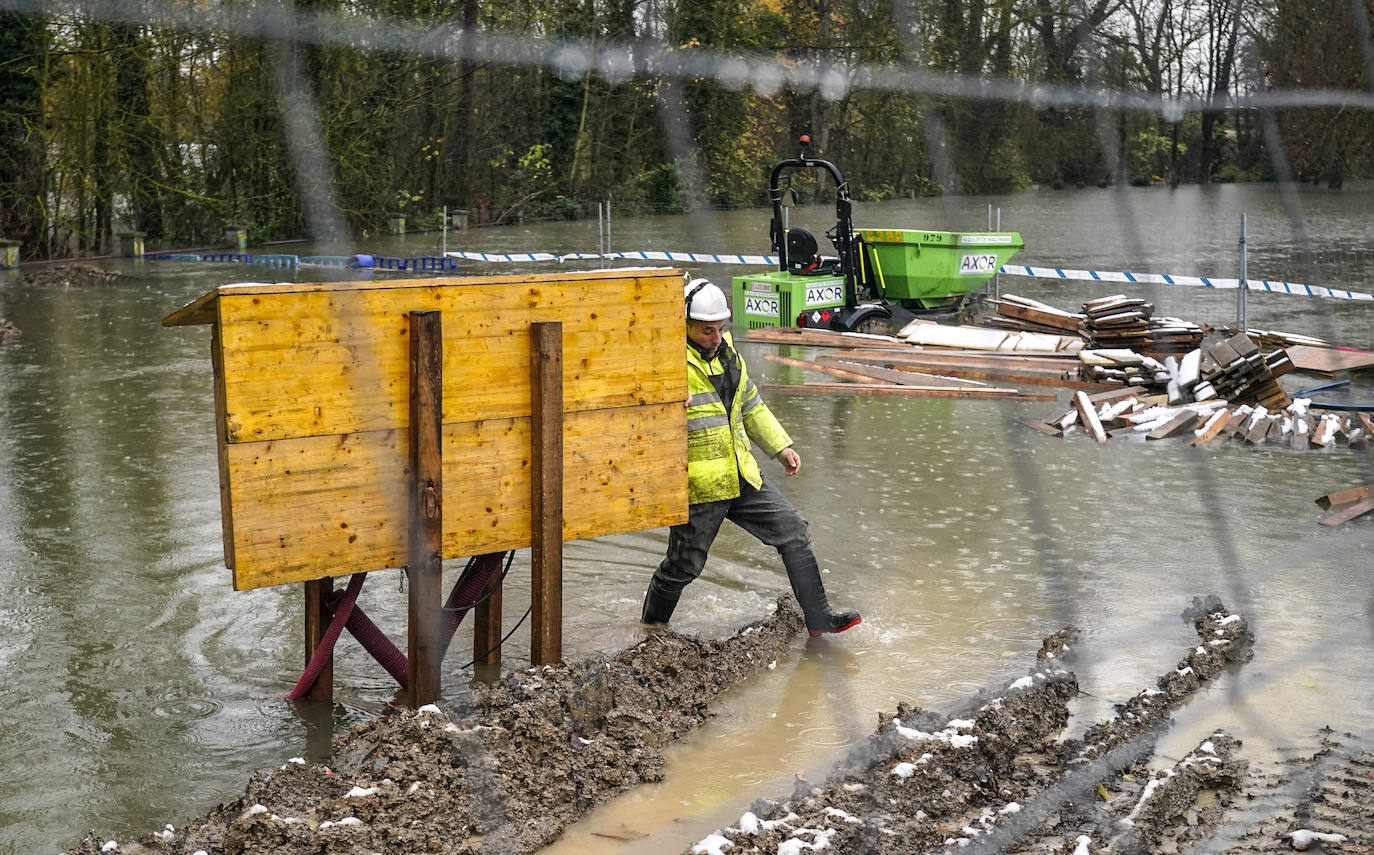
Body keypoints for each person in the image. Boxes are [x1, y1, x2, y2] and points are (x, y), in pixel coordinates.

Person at [641, 277, 862, 637]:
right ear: (682, 326)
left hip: (742, 474)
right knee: (683, 567)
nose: (715, 338)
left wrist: (780, 447)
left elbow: (751, 405)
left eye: (720, 329)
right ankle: (650, 630)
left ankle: (819, 617)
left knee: (793, 531)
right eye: (706, 331)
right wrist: (661, 404)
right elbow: (634, 416)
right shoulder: (663, 364)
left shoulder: (729, 354)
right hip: (699, 484)